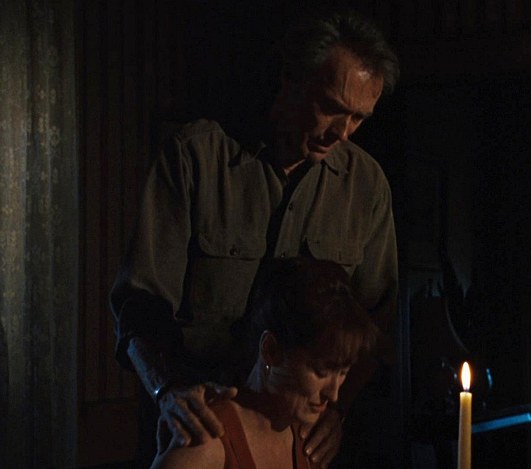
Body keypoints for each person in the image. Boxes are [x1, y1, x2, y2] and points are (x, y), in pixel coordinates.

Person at [109, 6, 399, 467]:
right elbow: (139, 307)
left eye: (359, 118)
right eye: (331, 108)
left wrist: (337, 408)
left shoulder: (364, 187)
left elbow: (373, 324)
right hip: (198, 430)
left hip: (290, 443)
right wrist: (169, 389)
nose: (342, 133)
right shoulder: (198, 158)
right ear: (291, 79)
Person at [150, 257, 378, 469]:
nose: (334, 395)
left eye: (343, 373)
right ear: (271, 350)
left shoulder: (309, 435)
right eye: (321, 371)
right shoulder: (207, 437)